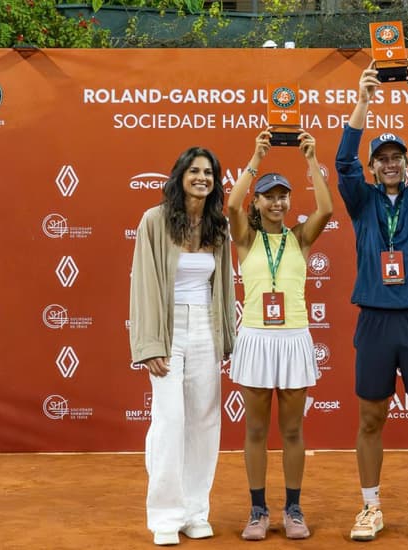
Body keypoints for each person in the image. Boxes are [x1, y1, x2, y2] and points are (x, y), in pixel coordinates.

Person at [335, 59, 408, 544]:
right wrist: (363, 100)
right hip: (376, 322)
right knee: (371, 417)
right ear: (373, 166)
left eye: (396, 156)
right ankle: (370, 507)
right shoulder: (361, 201)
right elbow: (342, 162)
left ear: (405, 162)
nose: (389, 162)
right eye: (381, 157)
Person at [227, 129, 333, 541]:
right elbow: (232, 203)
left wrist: (310, 158)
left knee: (291, 432)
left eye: (283, 196)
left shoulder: (300, 238)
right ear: (258, 202)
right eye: (269, 196)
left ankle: (292, 507)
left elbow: (325, 207)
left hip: (293, 338)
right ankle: (257, 509)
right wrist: (256, 156)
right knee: (255, 431)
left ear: (290, 202)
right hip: (255, 336)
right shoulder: (246, 238)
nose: (277, 202)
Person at [129, 147, 236, 547]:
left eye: (208, 172)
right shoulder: (154, 221)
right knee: (170, 421)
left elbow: (222, 286)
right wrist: (150, 343)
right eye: (194, 171)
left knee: (205, 422)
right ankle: (165, 517)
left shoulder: (218, 226)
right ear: (180, 176)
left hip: (205, 327)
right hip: (167, 328)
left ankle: (195, 512)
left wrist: (225, 334)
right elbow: (143, 284)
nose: (202, 178)